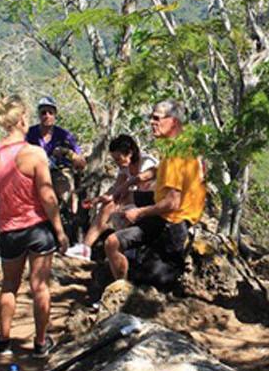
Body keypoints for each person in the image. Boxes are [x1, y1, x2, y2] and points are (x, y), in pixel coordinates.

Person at [0, 95, 69, 358]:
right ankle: (40, 343)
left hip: (9, 228)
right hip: (38, 228)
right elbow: (47, 196)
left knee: (9, 286)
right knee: (40, 287)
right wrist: (60, 231)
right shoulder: (33, 154)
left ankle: (3, 341)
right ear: (21, 119)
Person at [102, 100, 205, 282]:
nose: (151, 122)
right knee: (126, 198)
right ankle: (130, 250)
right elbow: (158, 170)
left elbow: (172, 203)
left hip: (173, 221)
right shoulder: (177, 144)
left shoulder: (179, 153)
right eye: (151, 117)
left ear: (173, 121)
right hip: (164, 205)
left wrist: (139, 213)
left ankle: (123, 284)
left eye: (157, 118)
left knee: (118, 249)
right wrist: (130, 183)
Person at [66, 135, 158, 260]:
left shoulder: (147, 162)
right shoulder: (124, 167)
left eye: (118, 159)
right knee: (109, 205)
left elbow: (143, 178)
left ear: (129, 153)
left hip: (152, 205)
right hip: (135, 202)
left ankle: (124, 250)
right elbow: (116, 188)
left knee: (119, 207)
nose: (117, 163)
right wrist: (97, 200)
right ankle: (85, 247)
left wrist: (126, 186)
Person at [26, 96, 87, 216]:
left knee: (67, 193)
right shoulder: (30, 133)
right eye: (43, 112)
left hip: (59, 171)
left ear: (55, 115)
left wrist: (66, 152)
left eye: (50, 112)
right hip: (34, 173)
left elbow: (80, 161)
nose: (47, 115)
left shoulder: (64, 135)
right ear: (39, 115)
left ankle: (73, 218)